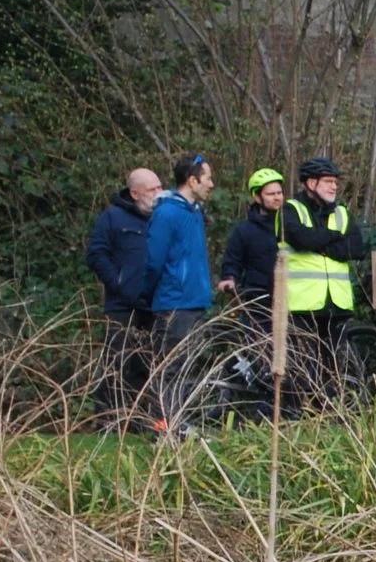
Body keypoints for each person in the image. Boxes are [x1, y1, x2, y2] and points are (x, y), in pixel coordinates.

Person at [144, 153, 218, 429]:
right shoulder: (167, 213)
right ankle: (163, 425)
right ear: (192, 180)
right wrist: (151, 294)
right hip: (174, 302)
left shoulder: (193, 212)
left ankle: (178, 421)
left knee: (187, 366)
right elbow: (154, 261)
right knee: (171, 366)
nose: (211, 184)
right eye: (207, 178)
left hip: (195, 301)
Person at [84, 167, 160, 426]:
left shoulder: (161, 218)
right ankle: (107, 419)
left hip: (154, 304)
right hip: (121, 305)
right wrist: (118, 282)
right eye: (152, 189)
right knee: (116, 362)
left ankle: (140, 419)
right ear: (134, 192)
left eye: (160, 187)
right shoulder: (112, 218)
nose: (158, 194)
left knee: (145, 363)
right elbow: (96, 254)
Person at [281, 155, 366, 350]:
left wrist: (322, 246)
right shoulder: (290, 210)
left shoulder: (341, 212)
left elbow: (357, 248)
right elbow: (303, 240)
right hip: (301, 307)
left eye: (335, 182)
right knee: (306, 370)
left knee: (337, 369)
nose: (334, 187)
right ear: (311, 183)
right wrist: (336, 235)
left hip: (337, 305)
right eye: (328, 182)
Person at [217, 167, 286, 321]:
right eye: (270, 194)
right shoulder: (244, 230)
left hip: (291, 303)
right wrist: (230, 277)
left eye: (279, 193)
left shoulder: (291, 225)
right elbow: (233, 259)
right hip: (257, 306)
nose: (277, 198)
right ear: (257, 197)